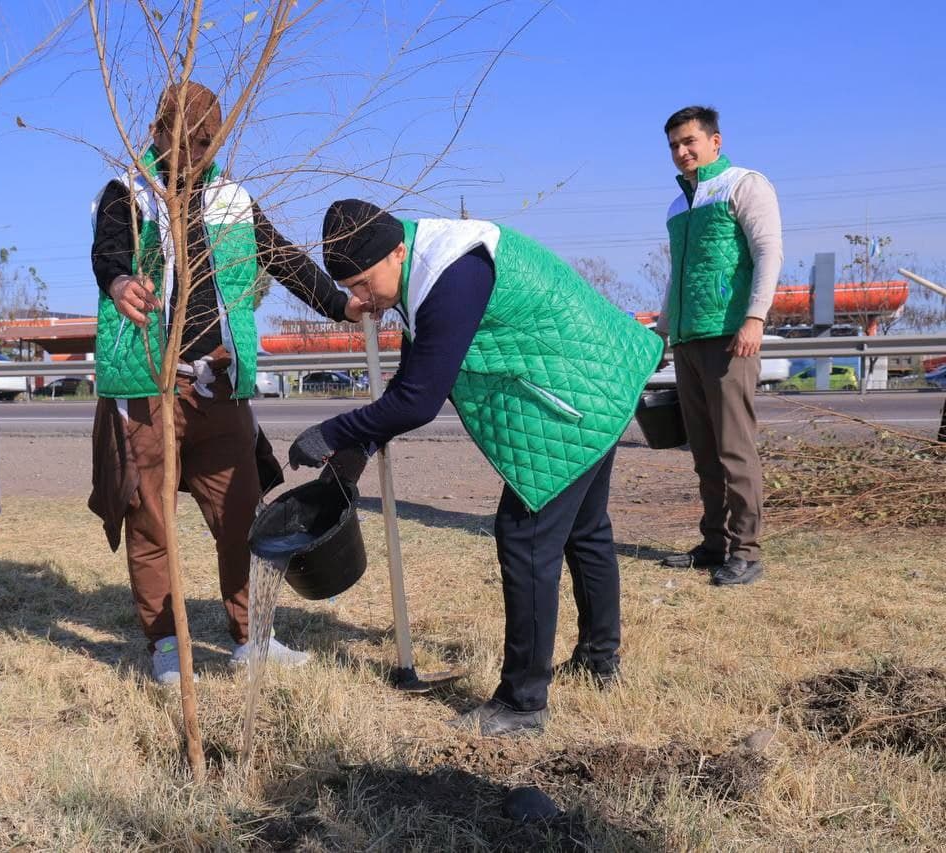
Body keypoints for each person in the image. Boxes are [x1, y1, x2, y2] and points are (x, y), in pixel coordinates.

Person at [288, 200, 663, 736]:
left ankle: (522, 704)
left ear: (397, 251)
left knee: (525, 538)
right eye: (350, 288)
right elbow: (412, 378)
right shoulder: (425, 260)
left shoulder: (450, 275)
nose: (361, 300)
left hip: (573, 395)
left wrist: (332, 431)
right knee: (586, 530)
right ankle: (599, 662)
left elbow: (418, 401)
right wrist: (350, 459)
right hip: (599, 376)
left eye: (365, 285)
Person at [88, 81, 364, 685]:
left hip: (220, 384)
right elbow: (108, 253)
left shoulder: (234, 200)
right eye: (182, 139)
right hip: (148, 386)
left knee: (244, 516)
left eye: (206, 141)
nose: (193, 152)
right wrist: (117, 284)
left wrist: (340, 304)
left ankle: (253, 638)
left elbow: (283, 258)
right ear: (157, 134)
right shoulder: (127, 193)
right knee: (150, 519)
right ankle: (165, 646)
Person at [657, 106, 782, 586]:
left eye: (689, 141)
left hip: (730, 338)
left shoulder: (744, 184)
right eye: (673, 145)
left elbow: (769, 252)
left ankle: (746, 551)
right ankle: (714, 544)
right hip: (689, 340)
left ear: (715, 141)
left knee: (734, 450)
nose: (682, 151)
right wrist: (665, 328)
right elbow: (678, 276)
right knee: (704, 452)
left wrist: (755, 318)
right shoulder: (677, 206)